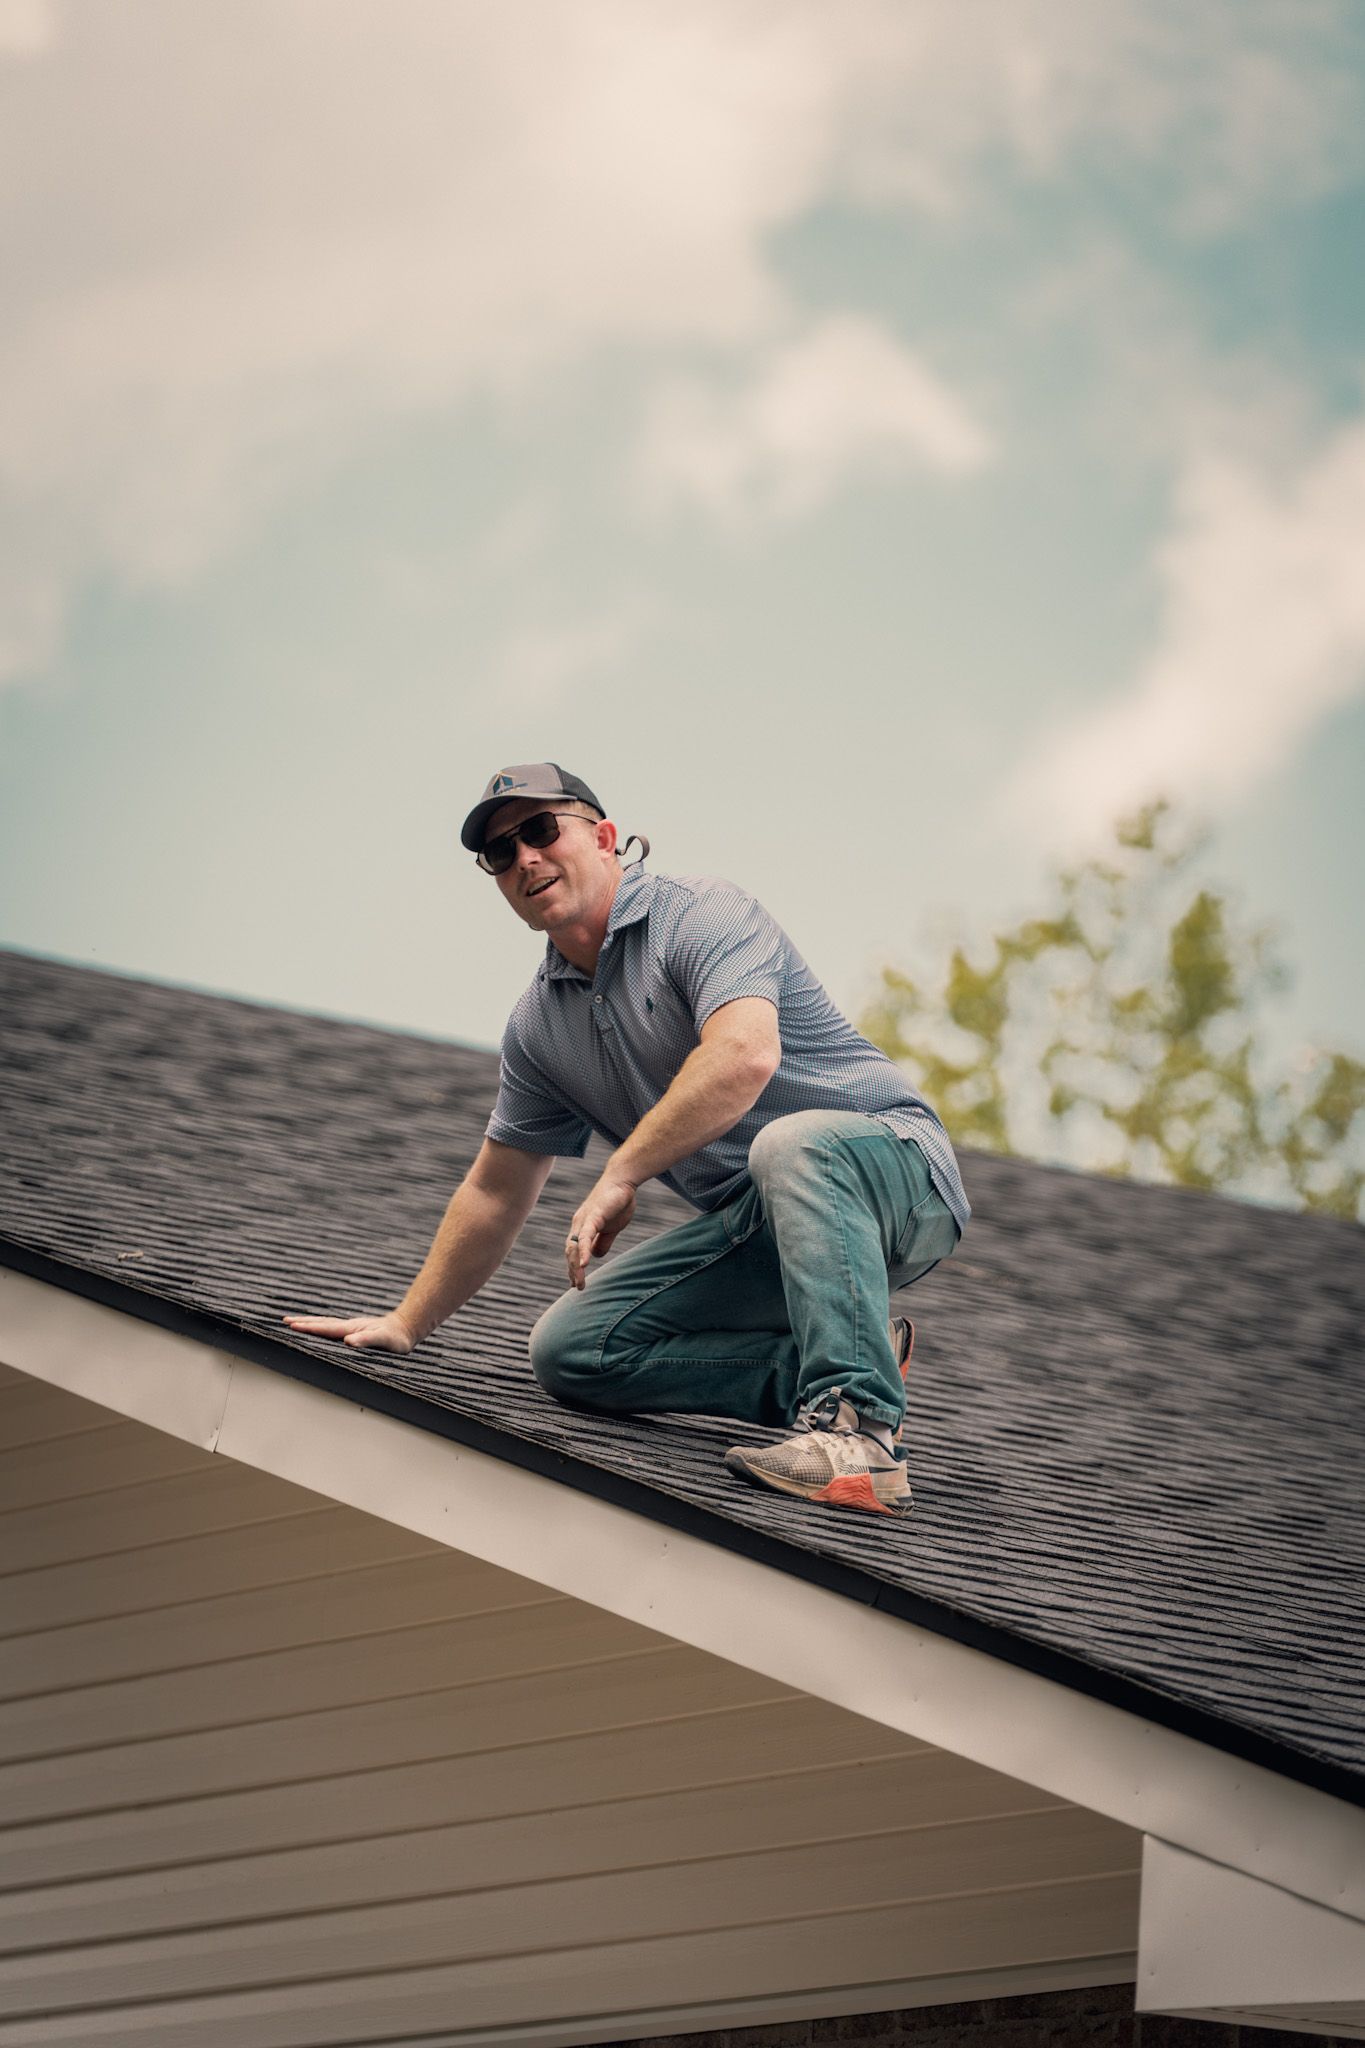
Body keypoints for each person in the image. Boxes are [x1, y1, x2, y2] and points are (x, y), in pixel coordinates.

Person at [284, 763, 970, 1518]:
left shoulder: (700, 914)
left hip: (893, 1174)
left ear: (605, 837)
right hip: (769, 1228)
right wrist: (407, 1322)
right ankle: (837, 1367)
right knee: (573, 1348)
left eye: (541, 831)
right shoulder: (540, 1028)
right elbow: (495, 1186)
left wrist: (623, 1173)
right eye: (499, 854)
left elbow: (744, 1055)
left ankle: (860, 1439)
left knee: (790, 1143)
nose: (524, 859)